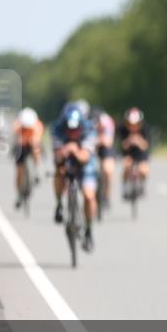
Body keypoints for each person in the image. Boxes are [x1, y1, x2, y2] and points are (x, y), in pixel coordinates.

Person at [51, 103, 98, 251]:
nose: (72, 133)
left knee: (89, 196)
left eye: (76, 129)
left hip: (85, 163)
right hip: (65, 160)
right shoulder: (57, 129)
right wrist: (65, 152)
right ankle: (59, 204)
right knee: (59, 173)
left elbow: (85, 156)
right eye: (69, 129)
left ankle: (89, 230)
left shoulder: (89, 130)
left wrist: (74, 151)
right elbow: (58, 156)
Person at [13, 107, 44, 208]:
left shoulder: (38, 125)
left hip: (32, 143)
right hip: (21, 145)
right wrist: (20, 142)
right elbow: (17, 139)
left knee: (36, 149)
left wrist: (32, 142)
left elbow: (36, 140)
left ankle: (37, 170)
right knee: (19, 170)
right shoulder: (17, 125)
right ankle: (19, 194)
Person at [119, 107, 150, 199]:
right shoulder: (123, 129)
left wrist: (138, 141)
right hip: (128, 153)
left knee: (144, 170)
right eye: (130, 124)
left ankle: (142, 186)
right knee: (126, 166)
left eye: (136, 124)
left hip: (141, 153)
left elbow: (146, 145)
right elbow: (121, 145)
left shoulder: (145, 129)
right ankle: (124, 187)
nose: (133, 127)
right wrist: (129, 141)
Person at [91, 107, 116, 208]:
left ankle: (106, 196)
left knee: (108, 170)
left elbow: (108, 142)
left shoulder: (107, 122)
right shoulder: (88, 122)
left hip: (105, 147)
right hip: (91, 145)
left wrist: (98, 140)